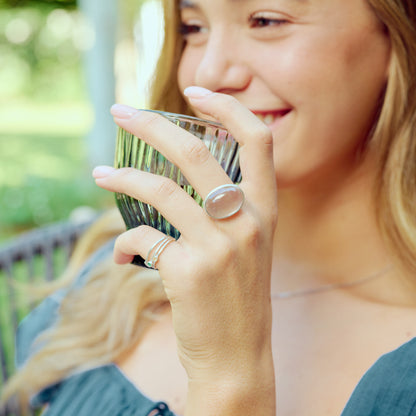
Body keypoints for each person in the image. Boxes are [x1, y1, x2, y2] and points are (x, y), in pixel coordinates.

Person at [2, 0, 416, 414]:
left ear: (397, 38)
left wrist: (230, 377)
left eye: (267, 20)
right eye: (193, 27)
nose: (208, 73)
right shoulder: (121, 274)